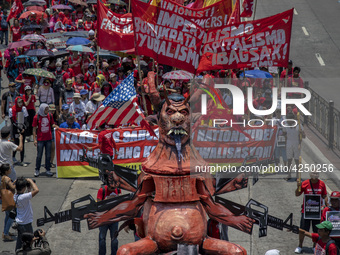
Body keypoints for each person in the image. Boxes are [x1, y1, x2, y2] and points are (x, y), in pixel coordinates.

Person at [295, 172, 328, 254]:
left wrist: (327, 205)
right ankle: (300, 245)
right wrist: (298, 187)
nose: (315, 175)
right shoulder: (305, 183)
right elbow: (297, 194)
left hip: (317, 211)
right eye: (313, 173)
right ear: (310, 174)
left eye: (317, 173)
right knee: (302, 229)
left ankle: (315, 246)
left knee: (317, 230)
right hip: (306, 211)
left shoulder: (322, 184)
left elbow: (324, 195)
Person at [32, 104, 58, 177]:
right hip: (40, 139)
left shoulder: (50, 115)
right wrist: (35, 139)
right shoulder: (36, 117)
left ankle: (48, 169)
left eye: (47, 109)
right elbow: (34, 128)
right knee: (39, 155)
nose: (47, 111)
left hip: (48, 138)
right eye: (46, 109)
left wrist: (55, 126)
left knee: (48, 155)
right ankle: (37, 169)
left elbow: (52, 124)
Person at [14, 177, 39, 251]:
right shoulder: (23, 197)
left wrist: (19, 182)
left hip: (20, 222)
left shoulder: (15, 196)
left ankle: (17, 252)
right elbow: (36, 190)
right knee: (29, 241)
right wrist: (30, 181)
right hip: (26, 223)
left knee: (20, 240)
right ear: (23, 188)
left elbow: (28, 196)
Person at [96, 185, 120, 255]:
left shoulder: (118, 189)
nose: (113, 189)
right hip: (104, 219)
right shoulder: (102, 190)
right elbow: (98, 206)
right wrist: (107, 200)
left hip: (114, 219)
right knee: (102, 239)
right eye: (111, 188)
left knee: (114, 239)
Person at [9, 97, 28, 167]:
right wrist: (18, 128)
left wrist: (23, 128)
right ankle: (13, 157)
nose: (20, 104)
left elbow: (26, 119)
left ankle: (22, 160)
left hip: (22, 129)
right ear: (16, 102)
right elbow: (12, 122)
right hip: (15, 129)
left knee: (22, 144)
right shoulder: (12, 109)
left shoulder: (23, 109)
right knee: (16, 143)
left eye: (21, 102)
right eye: (19, 102)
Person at [285, 113, 305, 180]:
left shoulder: (299, 126)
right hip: (289, 143)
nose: (287, 121)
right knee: (289, 160)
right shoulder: (286, 125)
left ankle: (297, 176)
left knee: (297, 160)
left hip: (296, 143)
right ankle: (289, 175)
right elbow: (284, 134)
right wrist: (285, 144)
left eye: (288, 120)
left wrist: (301, 133)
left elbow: (304, 136)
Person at [1, 163, 16, 241]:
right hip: (9, 199)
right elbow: (13, 187)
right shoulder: (7, 178)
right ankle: (6, 233)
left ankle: (5, 231)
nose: (11, 170)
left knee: (7, 216)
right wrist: (17, 182)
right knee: (11, 216)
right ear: (6, 171)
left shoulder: (3, 177)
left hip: (5, 198)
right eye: (9, 169)